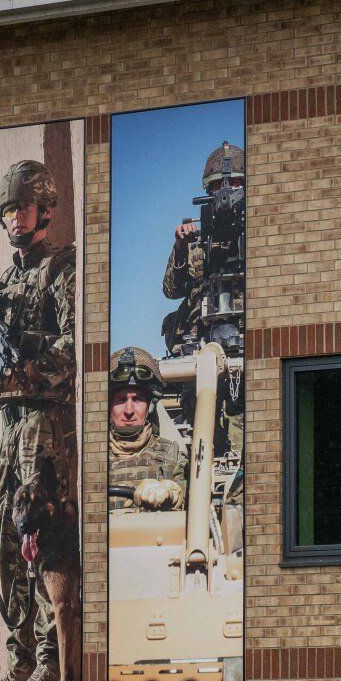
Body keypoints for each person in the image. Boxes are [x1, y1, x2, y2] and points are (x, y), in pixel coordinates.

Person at [0, 159, 80, 681]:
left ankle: (55, 663)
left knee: (40, 539)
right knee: (2, 539)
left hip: (44, 428)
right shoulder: (3, 285)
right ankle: (21, 658)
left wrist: (20, 364)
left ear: (46, 211)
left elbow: (73, 351)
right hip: (10, 429)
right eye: (7, 210)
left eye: (22, 208)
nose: (14, 218)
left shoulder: (62, 269)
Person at [160, 141, 246, 464]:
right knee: (203, 434)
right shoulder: (196, 242)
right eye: (217, 186)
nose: (225, 192)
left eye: (234, 183)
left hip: (243, 347)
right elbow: (170, 289)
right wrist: (180, 247)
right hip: (201, 350)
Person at [107, 347, 186, 512]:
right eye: (121, 400)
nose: (129, 411)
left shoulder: (172, 454)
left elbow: (190, 496)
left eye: (137, 399)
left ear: (150, 406)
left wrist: (172, 492)